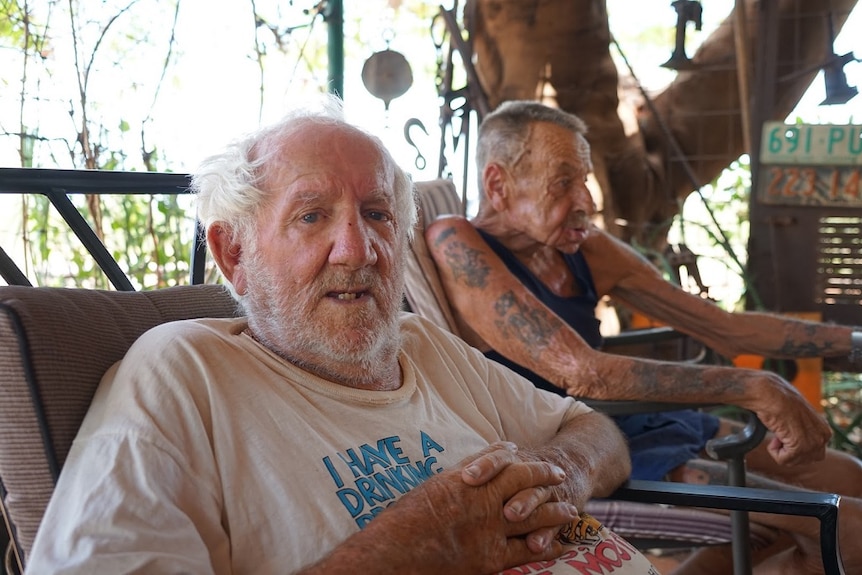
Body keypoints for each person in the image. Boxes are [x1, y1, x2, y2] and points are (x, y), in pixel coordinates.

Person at [24, 98, 662, 575]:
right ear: (234, 252)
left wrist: (561, 472)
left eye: (378, 214)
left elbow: (597, 432)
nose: (358, 249)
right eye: (311, 216)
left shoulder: (422, 344)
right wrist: (418, 544)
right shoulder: (183, 373)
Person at [424, 100, 862, 574]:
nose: (586, 200)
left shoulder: (580, 247)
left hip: (641, 421)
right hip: (581, 443)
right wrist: (756, 387)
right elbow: (583, 374)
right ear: (498, 185)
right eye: (564, 181)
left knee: (849, 477)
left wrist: (854, 342)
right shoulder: (457, 242)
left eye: (585, 180)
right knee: (846, 527)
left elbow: (725, 327)